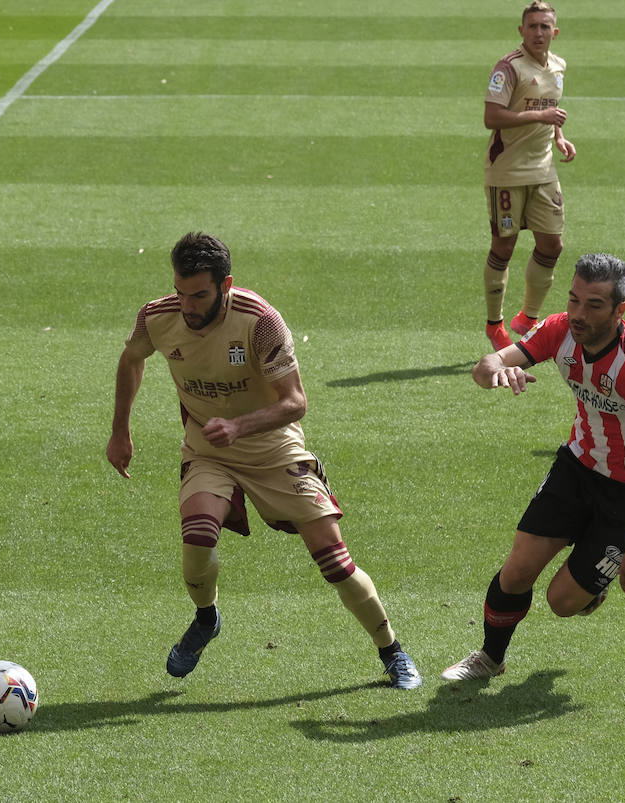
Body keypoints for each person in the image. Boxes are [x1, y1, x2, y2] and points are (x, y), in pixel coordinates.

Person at [107, 231, 422, 689]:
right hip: (208, 449)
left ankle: (392, 651)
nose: (188, 306)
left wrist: (238, 426)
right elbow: (132, 358)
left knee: (335, 561)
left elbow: (295, 403)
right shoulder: (158, 317)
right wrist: (120, 430)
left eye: (199, 295)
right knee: (197, 536)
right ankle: (206, 617)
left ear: (225, 285)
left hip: (274, 448)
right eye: (180, 291)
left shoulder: (260, 321)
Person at [442, 253, 625, 681]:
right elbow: (486, 366)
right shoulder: (559, 331)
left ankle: (595, 576)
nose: (577, 314)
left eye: (593, 305)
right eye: (573, 299)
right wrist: (497, 371)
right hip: (578, 466)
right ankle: (490, 659)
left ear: (619, 310)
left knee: (562, 602)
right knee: (517, 570)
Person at [480, 1, 577, 352]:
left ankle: (528, 318)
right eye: (532, 26)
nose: (539, 32)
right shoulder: (508, 68)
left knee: (552, 245)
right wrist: (542, 118)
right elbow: (492, 117)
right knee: (504, 247)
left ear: (555, 31)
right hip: (506, 173)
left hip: (544, 171)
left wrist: (560, 138)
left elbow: (547, 113)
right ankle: (495, 325)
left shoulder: (559, 66)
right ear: (521, 30)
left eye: (545, 26)